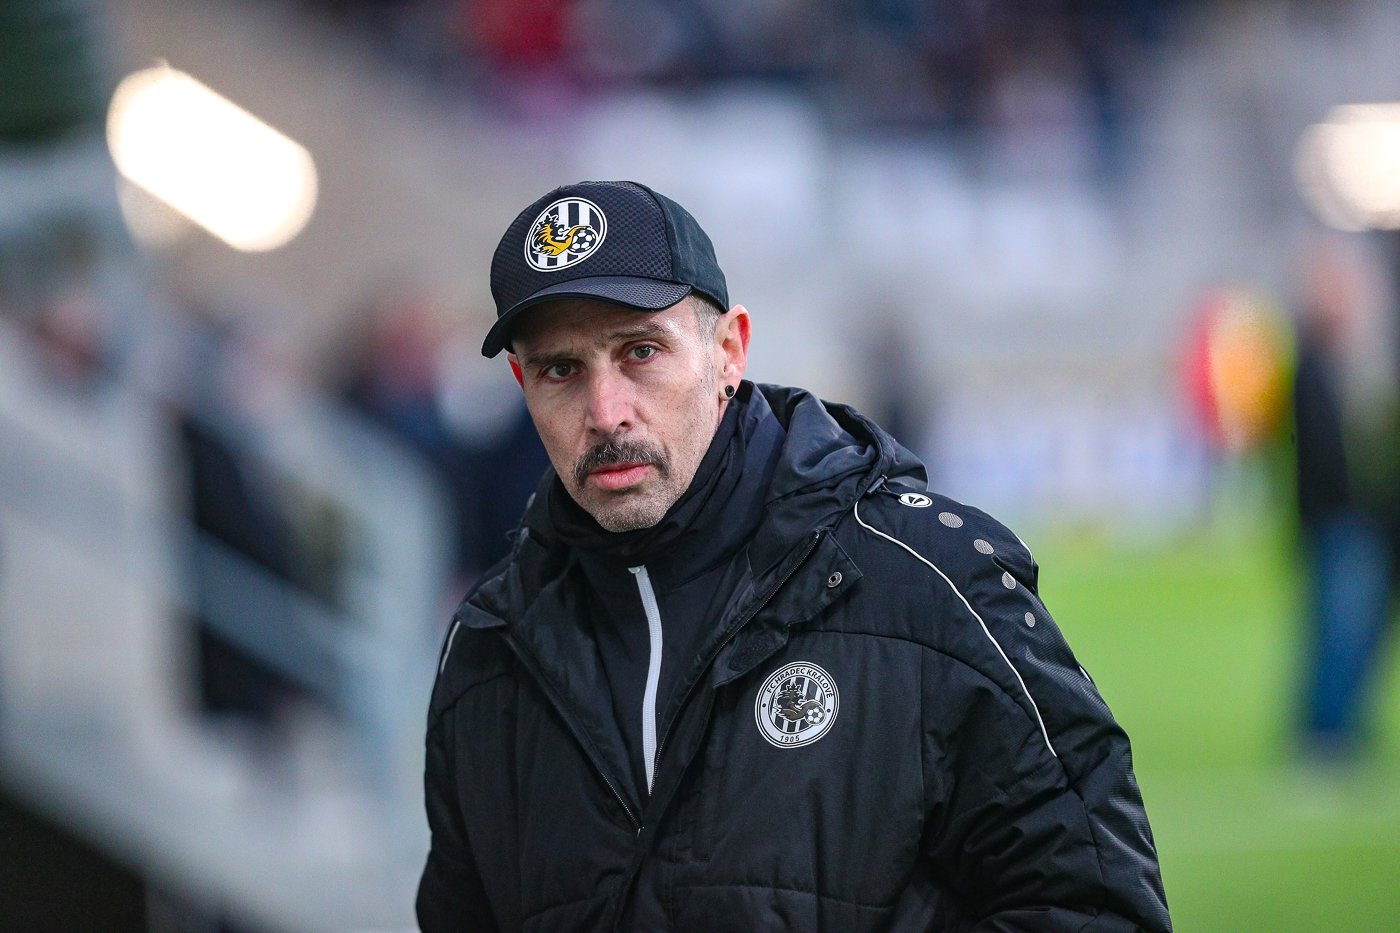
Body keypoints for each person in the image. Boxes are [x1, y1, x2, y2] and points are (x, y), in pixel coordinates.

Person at [417, 180, 1171, 931]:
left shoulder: (931, 582)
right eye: (561, 370)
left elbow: (1095, 911)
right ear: (521, 383)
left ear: (728, 352)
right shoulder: (489, 647)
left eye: (641, 352)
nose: (606, 412)